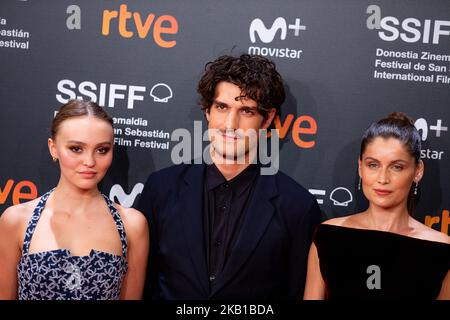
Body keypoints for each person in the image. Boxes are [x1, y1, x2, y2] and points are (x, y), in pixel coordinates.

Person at [136, 54, 322, 300]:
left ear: (266, 119)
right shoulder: (161, 188)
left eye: (246, 111)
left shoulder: (296, 206)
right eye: (222, 107)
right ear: (207, 111)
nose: (230, 124)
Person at [0, 100, 149, 300]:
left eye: (102, 150)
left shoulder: (131, 224)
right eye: (76, 149)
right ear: (53, 148)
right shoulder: (17, 221)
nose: (89, 162)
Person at [304, 112, 450, 300]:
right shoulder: (328, 237)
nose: (383, 179)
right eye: (373, 165)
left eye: (397, 167)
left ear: (418, 171)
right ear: (360, 167)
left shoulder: (441, 249)